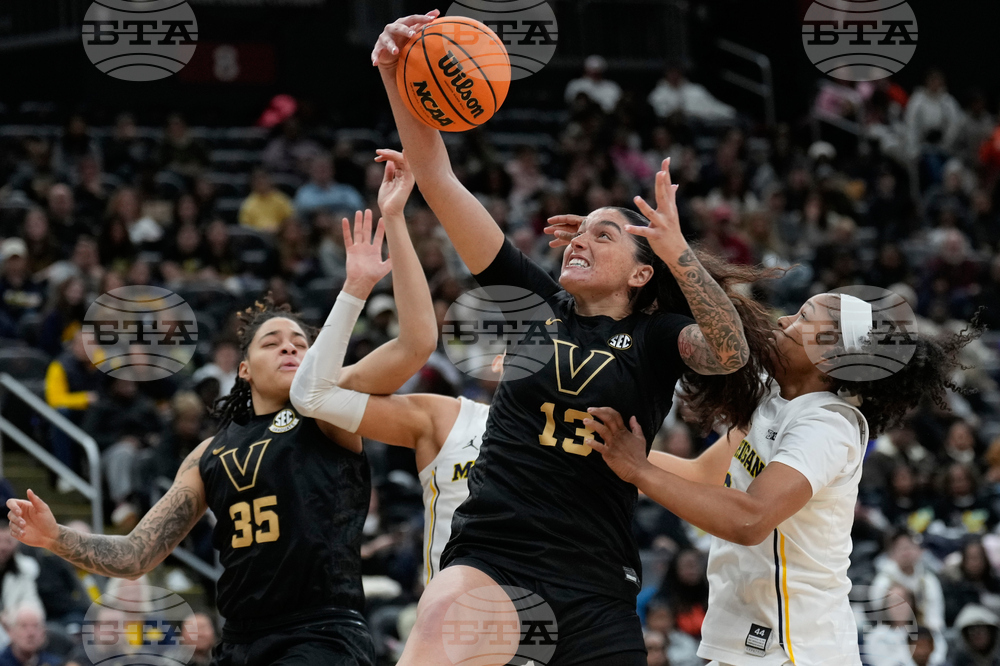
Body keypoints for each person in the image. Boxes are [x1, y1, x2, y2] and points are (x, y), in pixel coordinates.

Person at [372, 13, 776, 665]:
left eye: (604, 233)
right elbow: (440, 180)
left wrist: (682, 256)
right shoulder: (534, 298)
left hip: (596, 579)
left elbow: (729, 352)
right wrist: (396, 73)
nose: (581, 237)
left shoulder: (657, 336)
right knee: (436, 637)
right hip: (495, 554)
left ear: (644, 273)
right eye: (579, 229)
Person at [6, 154, 437, 666]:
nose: (290, 348)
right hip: (240, 643)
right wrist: (57, 538)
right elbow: (137, 554)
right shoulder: (208, 453)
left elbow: (416, 343)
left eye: (300, 342)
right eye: (272, 342)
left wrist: (391, 225)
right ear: (245, 370)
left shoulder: (329, 411)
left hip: (321, 636)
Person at [586, 291, 982, 665]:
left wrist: (637, 468)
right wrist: (596, 451)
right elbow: (704, 477)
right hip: (753, 637)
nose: (785, 320)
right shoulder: (772, 400)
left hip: (795, 645)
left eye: (803, 317)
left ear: (830, 356)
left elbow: (750, 518)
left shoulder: (826, 425)